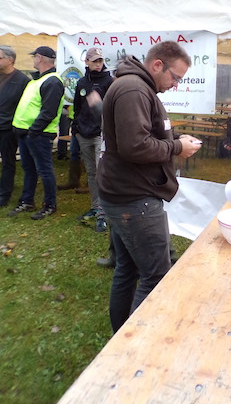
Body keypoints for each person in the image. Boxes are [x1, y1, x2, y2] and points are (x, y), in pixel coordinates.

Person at [96, 41, 202, 332]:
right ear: (157, 65)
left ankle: (120, 335)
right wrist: (177, 147)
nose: (175, 84)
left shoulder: (137, 87)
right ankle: (134, 345)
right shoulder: (134, 89)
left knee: (128, 269)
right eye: (175, 77)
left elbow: (143, 134)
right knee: (156, 276)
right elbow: (135, 147)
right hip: (134, 199)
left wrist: (175, 139)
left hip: (125, 193)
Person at [9, 46, 65, 219]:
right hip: (27, 133)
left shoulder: (52, 81)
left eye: (34, 57)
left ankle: (50, 204)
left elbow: (49, 112)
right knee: (29, 169)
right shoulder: (37, 80)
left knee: (44, 170)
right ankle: (27, 201)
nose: (33, 60)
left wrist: (33, 131)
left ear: (39, 58)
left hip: (38, 135)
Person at [72, 47, 113, 232]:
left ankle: (104, 214)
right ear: (87, 62)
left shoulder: (109, 81)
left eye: (100, 60)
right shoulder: (82, 82)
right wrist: (76, 129)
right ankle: (95, 206)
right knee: (90, 173)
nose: (98, 64)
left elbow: (111, 109)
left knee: (101, 173)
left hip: (100, 135)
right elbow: (77, 107)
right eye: (94, 60)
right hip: (83, 134)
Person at [0, 46, 30, 207]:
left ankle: (4, 194)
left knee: (8, 162)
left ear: (10, 60)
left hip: (8, 129)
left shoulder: (22, 80)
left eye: (0, 58)